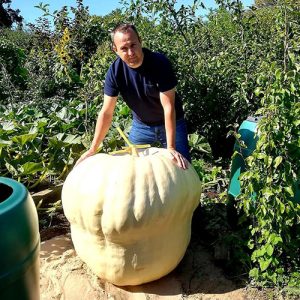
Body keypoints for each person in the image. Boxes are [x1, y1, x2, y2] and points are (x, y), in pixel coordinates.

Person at [76, 23, 190, 169]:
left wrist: (171, 148)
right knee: (132, 171)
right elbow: (107, 112)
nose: (130, 52)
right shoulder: (115, 72)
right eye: (124, 48)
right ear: (115, 50)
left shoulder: (159, 64)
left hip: (171, 122)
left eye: (133, 45)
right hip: (141, 126)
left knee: (181, 168)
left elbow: (168, 107)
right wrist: (93, 148)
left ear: (140, 41)